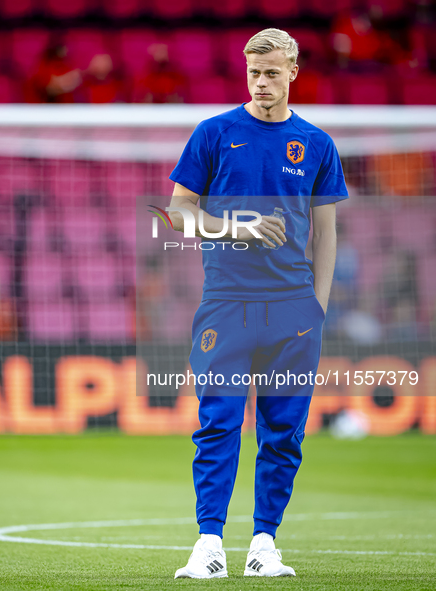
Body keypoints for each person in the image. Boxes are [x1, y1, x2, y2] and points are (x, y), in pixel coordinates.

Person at [168, 28, 348, 579]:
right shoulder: (215, 133)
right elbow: (177, 214)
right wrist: (239, 231)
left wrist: (316, 306)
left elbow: (326, 233)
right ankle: (208, 544)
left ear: (293, 71)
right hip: (226, 302)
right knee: (218, 422)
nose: (262, 82)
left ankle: (264, 543)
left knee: (284, 432)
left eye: (272, 72)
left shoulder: (316, 144)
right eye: (253, 73)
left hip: (293, 308)